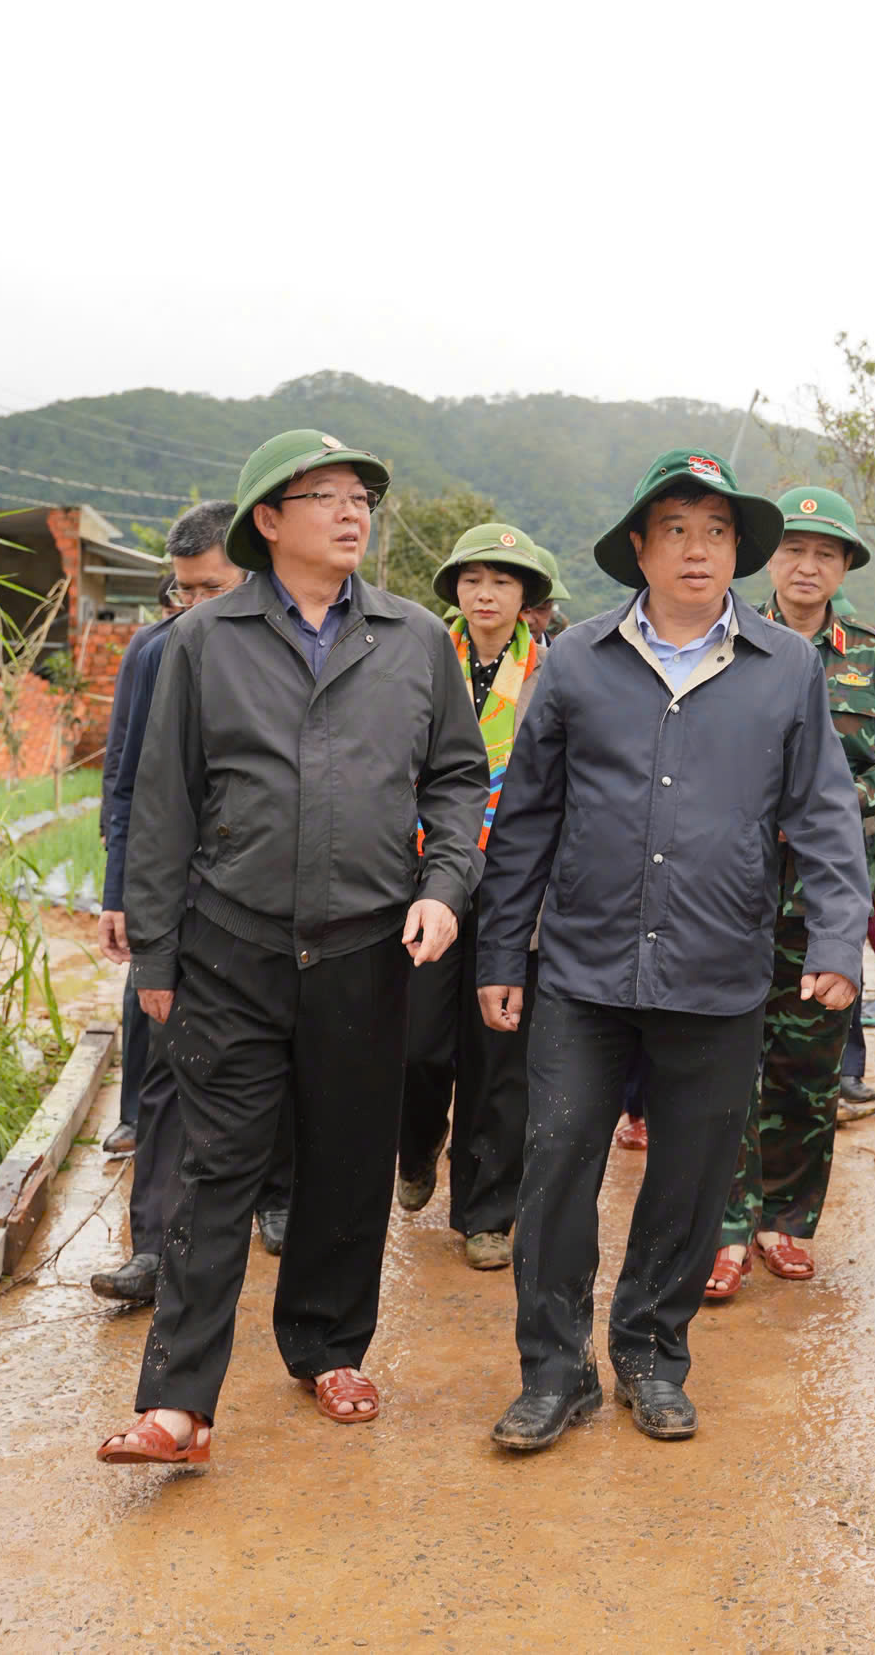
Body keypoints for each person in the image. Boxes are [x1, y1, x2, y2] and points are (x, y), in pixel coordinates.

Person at [97, 428, 490, 1464]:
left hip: (367, 948)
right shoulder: (204, 640)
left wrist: (445, 884)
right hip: (233, 945)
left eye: (361, 493)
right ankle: (179, 1402)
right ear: (267, 520)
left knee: (350, 1163)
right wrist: (156, 959)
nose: (353, 511)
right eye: (324, 495)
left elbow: (456, 778)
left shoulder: (415, 639)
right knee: (215, 1169)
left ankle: (326, 1347)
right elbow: (164, 803)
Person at [475, 448, 868, 1452]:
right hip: (583, 968)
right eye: (677, 530)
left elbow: (824, 814)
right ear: (639, 549)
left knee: (690, 1176)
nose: (698, 550)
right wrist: (498, 957)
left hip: (718, 967)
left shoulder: (786, 670)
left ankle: (652, 1353)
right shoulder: (575, 662)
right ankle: (555, 1372)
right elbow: (524, 821)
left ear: (738, 551)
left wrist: (832, 937)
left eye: (718, 532)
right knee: (556, 1165)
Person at [706, 487, 875, 1302]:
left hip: (825, 892)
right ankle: (722, 1227)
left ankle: (784, 1223)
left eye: (826, 553)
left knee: (809, 1062)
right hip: (732, 889)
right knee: (724, 1063)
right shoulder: (729, 640)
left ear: (843, 568)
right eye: (794, 549)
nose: (807, 565)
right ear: (771, 558)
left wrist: (835, 806)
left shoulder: (872, 656)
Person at [89, 503, 299, 1304]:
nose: (192, 609)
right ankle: (154, 1248)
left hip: (268, 900)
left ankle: (278, 1197)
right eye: (181, 593)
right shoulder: (155, 651)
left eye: (209, 589)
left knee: (282, 1059)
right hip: (177, 898)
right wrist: (121, 895)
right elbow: (126, 779)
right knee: (165, 1067)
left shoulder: (294, 649)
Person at [396, 522, 551, 1271]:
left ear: (527, 598)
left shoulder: (553, 675)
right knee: (421, 1045)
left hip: (515, 881)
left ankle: (487, 1211)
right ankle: (417, 1145)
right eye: (472, 579)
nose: (485, 593)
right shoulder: (418, 661)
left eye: (503, 581)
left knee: (501, 1056)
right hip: (430, 877)